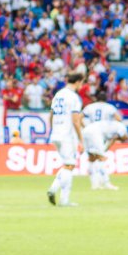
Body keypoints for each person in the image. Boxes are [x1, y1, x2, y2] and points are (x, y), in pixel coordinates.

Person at [46, 72, 85, 208]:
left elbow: (50, 115)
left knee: (67, 165)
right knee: (69, 165)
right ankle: (60, 196)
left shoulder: (58, 95)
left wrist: (52, 130)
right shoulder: (74, 97)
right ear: (78, 81)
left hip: (56, 133)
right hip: (67, 135)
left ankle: (57, 193)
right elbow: (75, 120)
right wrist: (81, 139)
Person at [83, 117, 128, 190]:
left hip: (86, 131)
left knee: (92, 158)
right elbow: (114, 139)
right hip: (95, 133)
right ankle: (107, 183)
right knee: (102, 158)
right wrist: (103, 151)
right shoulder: (122, 128)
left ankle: (94, 184)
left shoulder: (113, 127)